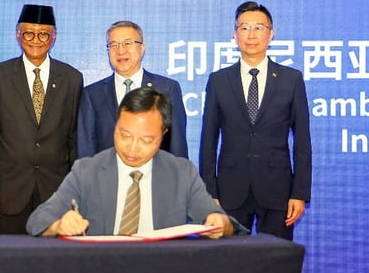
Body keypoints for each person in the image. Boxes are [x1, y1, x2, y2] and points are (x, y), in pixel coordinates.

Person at [27, 87, 239, 237]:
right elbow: (37, 221)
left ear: (163, 135)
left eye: (146, 140)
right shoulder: (87, 171)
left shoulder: (182, 173)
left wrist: (219, 222)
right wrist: (58, 226)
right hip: (101, 272)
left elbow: (222, 221)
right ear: (116, 125)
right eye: (125, 135)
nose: (132, 148)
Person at [199, 1, 312, 240]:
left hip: (278, 189)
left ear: (271, 34)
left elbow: (302, 141)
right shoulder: (219, 81)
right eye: (244, 28)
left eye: (258, 28)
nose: (251, 35)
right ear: (235, 34)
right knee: (229, 259)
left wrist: (299, 192)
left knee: (276, 258)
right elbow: (208, 140)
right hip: (230, 190)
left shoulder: (291, 79)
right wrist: (209, 192)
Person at [0, 4, 83, 234]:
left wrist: (75, 188)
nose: (36, 40)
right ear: (18, 35)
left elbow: (74, 139)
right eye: (28, 33)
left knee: (54, 256)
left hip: (56, 192)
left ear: (53, 37)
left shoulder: (72, 78)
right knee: (10, 254)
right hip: (8, 191)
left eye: (43, 34)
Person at [77, 20, 188, 159]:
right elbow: (85, 149)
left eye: (128, 43)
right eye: (113, 45)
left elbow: (177, 147)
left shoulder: (167, 89)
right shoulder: (92, 94)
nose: (120, 50)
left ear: (142, 48)